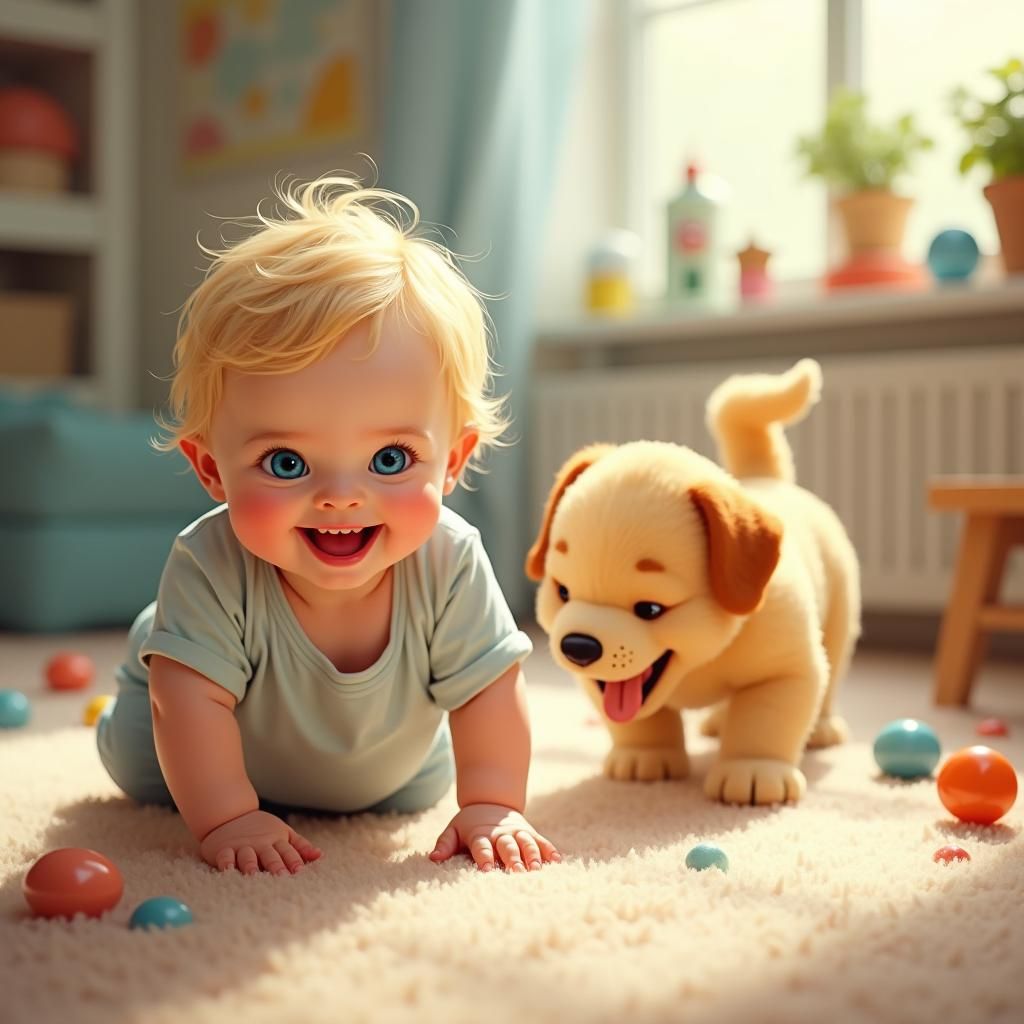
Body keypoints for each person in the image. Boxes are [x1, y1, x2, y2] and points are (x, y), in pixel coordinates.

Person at [97, 175, 559, 876]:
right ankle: (167, 637)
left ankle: (187, 635)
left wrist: (493, 802)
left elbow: (488, 688)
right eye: (286, 462)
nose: (342, 497)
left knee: (421, 783)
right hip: (204, 748)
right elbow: (185, 707)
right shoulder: (210, 558)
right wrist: (228, 815)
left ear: (456, 459)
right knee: (141, 751)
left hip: (389, 767)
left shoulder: (450, 558)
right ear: (212, 471)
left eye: (391, 458)